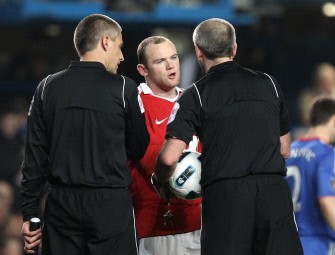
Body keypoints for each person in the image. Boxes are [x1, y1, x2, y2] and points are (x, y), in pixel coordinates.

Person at [153, 18, 303, 255]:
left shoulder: (195, 95)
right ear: (234, 49)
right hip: (274, 194)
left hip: (227, 198)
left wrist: (160, 180)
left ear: (198, 51)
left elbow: (169, 158)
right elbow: (285, 148)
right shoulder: (270, 84)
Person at [20, 14, 148, 255]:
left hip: (61, 207)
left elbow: (34, 158)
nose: (122, 56)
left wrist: (29, 213)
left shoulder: (47, 87)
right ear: (106, 42)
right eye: (120, 47)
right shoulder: (123, 88)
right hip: (110, 204)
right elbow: (140, 146)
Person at [129, 36, 201, 255]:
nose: (171, 65)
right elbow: (154, 160)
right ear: (143, 69)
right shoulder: (135, 103)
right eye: (160, 61)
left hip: (202, 223)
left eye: (174, 57)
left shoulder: (194, 99)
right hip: (159, 227)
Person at [286, 97, 335, 255]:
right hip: (317, 243)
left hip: (287, 242)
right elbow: (327, 201)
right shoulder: (327, 154)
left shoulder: (288, 152)